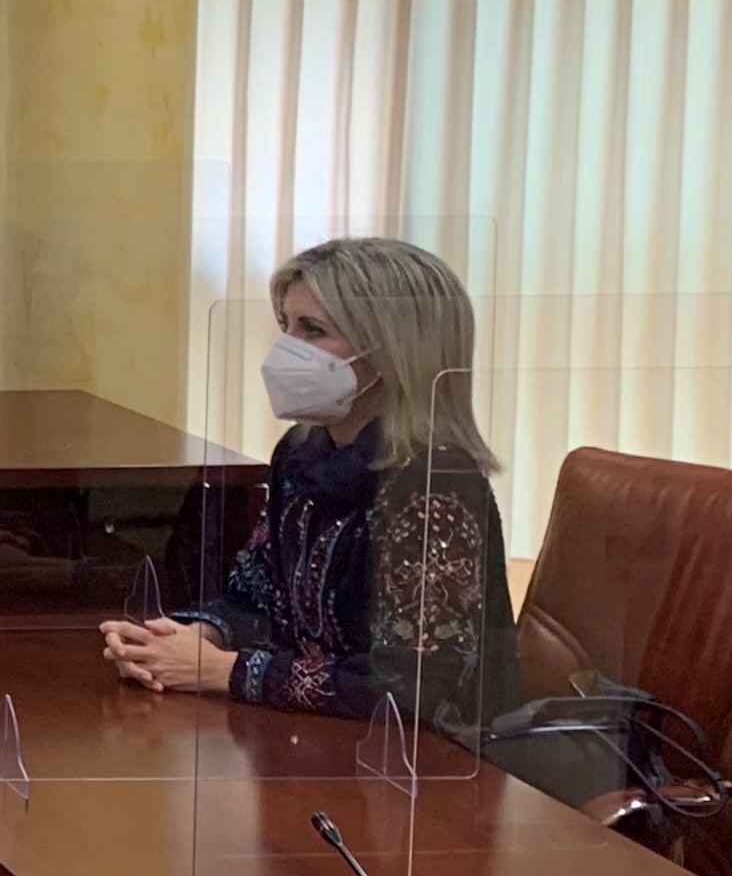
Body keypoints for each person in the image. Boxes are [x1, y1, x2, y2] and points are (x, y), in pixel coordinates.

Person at [102, 235, 513, 723]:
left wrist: (225, 672)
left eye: (312, 329)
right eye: (287, 326)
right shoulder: (303, 454)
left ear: (393, 352)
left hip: (435, 768)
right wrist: (191, 639)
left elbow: (413, 685)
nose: (286, 350)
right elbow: (256, 593)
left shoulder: (436, 485)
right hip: (313, 739)